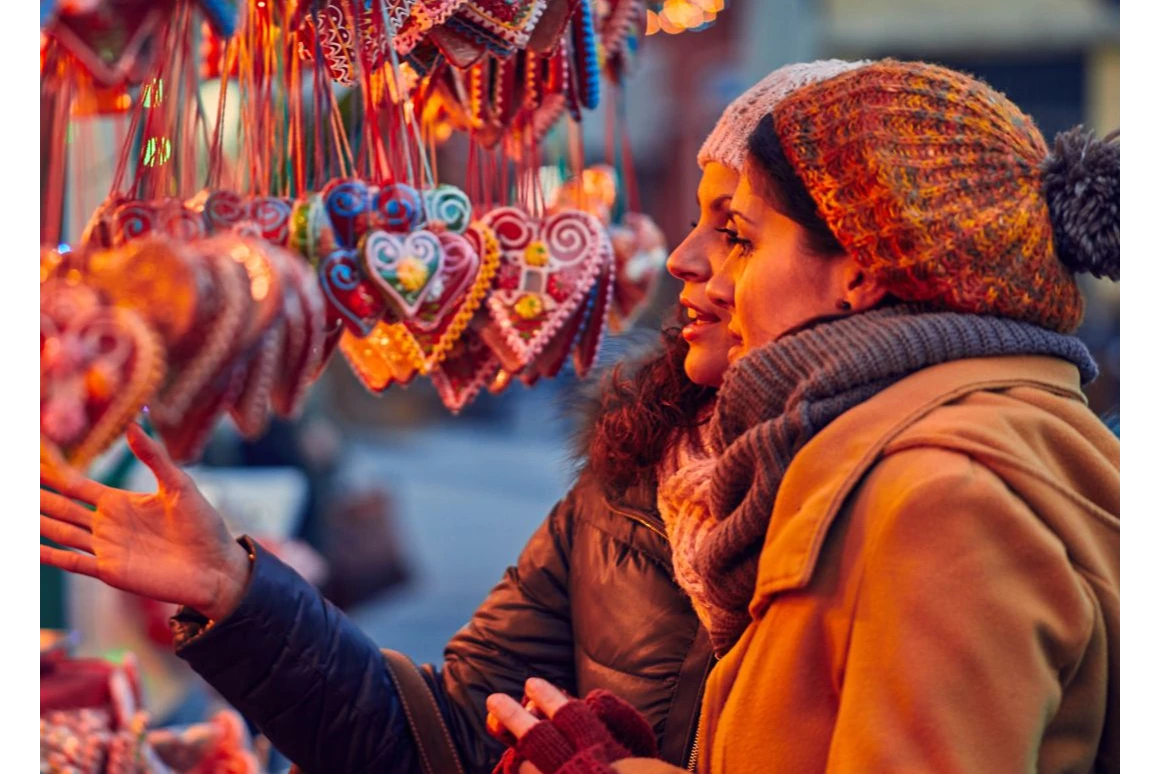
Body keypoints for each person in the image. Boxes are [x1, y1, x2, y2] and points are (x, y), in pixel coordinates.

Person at [39, 59, 869, 774]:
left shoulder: (920, 493)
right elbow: (439, 740)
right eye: (695, 221)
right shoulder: (635, 481)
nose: (686, 261)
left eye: (736, 234)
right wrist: (234, 590)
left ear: (862, 271)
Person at [486, 58, 1120, 773]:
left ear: (859, 271)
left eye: (744, 240)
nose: (713, 271)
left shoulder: (941, 500)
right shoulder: (899, 456)